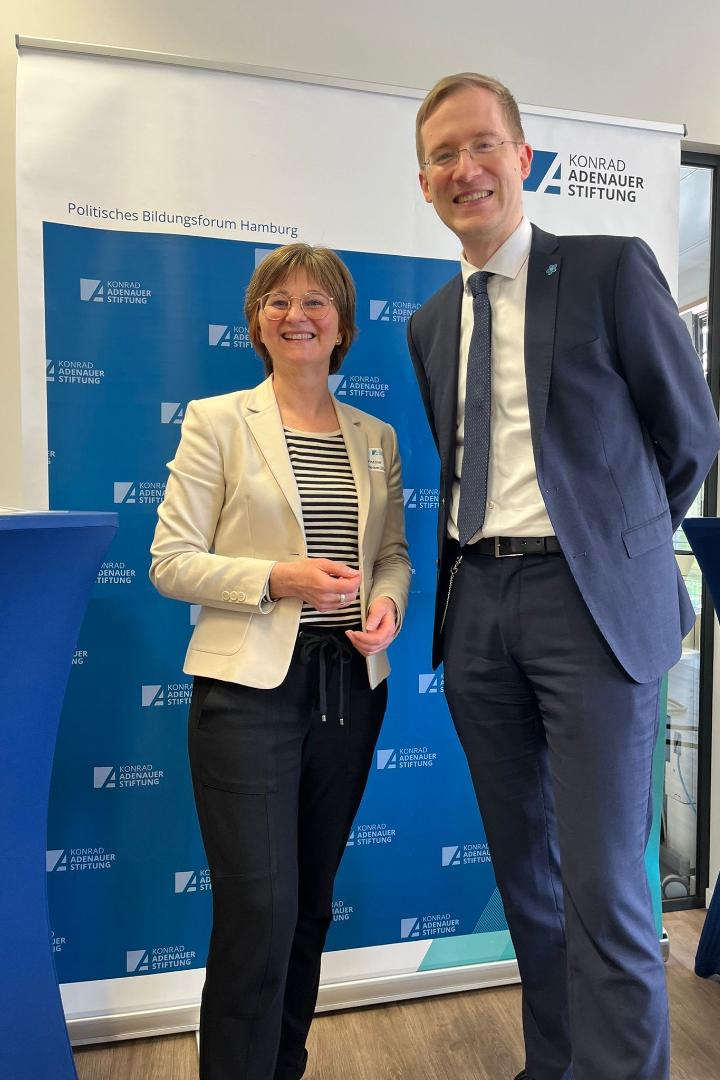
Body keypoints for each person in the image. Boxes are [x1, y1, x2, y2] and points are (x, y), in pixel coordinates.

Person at [407, 73, 720, 1080]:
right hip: (477, 609)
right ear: (425, 183)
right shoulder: (429, 324)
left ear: (523, 157)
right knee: (528, 884)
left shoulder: (606, 269)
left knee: (605, 889)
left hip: (589, 609)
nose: (465, 168)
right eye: (443, 155)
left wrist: (613, 548)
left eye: (482, 145)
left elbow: (690, 435)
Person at [150, 243, 411, 1080]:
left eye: (316, 301)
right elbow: (170, 563)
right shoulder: (217, 421)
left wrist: (389, 604)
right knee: (258, 912)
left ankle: (282, 1067)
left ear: (343, 324)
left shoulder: (376, 437)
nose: (297, 315)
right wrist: (278, 578)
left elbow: (393, 554)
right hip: (247, 694)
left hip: (350, 691)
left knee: (307, 908)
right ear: (257, 322)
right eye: (278, 301)